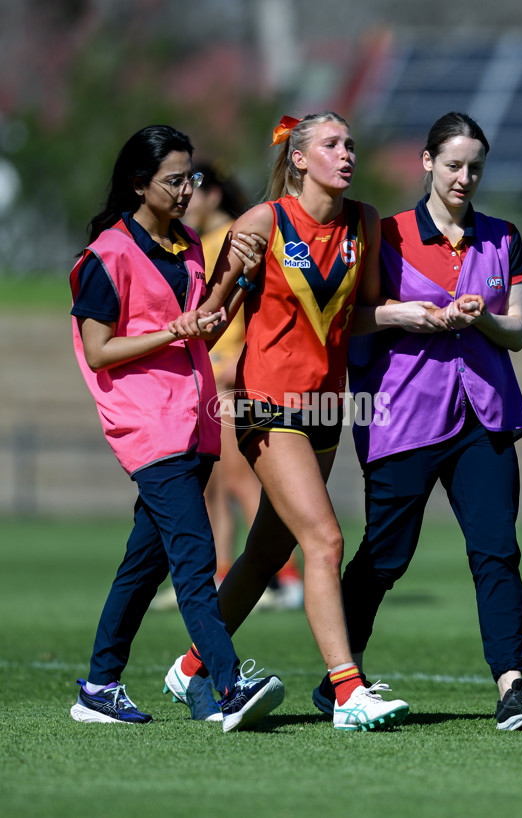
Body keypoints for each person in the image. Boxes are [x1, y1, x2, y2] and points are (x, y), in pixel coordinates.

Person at [310, 111, 522, 731]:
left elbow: (518, 332)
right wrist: (415, 314)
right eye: (453, 164)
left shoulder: (504, 237)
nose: (465, 177)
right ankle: (340, 678)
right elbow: (354, 318)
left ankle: (513, 686)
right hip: (403, 416)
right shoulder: (386, 234)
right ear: (427, 163)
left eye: (475, 166)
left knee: (497, 551)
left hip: (486, 415)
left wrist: (479, 318)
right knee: (386, 557)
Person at [165, 112, 410, 732]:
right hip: (262, 403)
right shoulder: (262, 222)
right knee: (324, 541)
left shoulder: (366, 222)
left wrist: (420, 315)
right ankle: (347, 690)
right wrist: (239, 274)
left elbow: (361, 313)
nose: (346, 153)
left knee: (265, 552)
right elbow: (209, 321)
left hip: (325, 406)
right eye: (331, 145)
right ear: (299, 159)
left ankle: (194, 667)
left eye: (351, 143)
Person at [68, 124, 284, 732]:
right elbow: (100, 350)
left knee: (145, 566)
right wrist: (173, 332)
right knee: (195, 558)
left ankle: (100, 686)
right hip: (147, 426)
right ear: (139, 185)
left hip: (192, 423)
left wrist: (237, 280)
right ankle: (226, 681)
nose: (189, 189)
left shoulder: (188, 244)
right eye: (174, 179)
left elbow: (206, 328)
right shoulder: (106, 257)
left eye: (191, 177)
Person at [151, 161, 303, 613]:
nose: (184, 199)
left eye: (191, 188)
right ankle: (220, 573)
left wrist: (229, 363)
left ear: (213, 194)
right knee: (214, 485)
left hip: (232, 378)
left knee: (242, 481)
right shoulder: (197, 244)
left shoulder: (235, 240)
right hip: (208, 377)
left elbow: (244, 315)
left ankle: (287, 578)